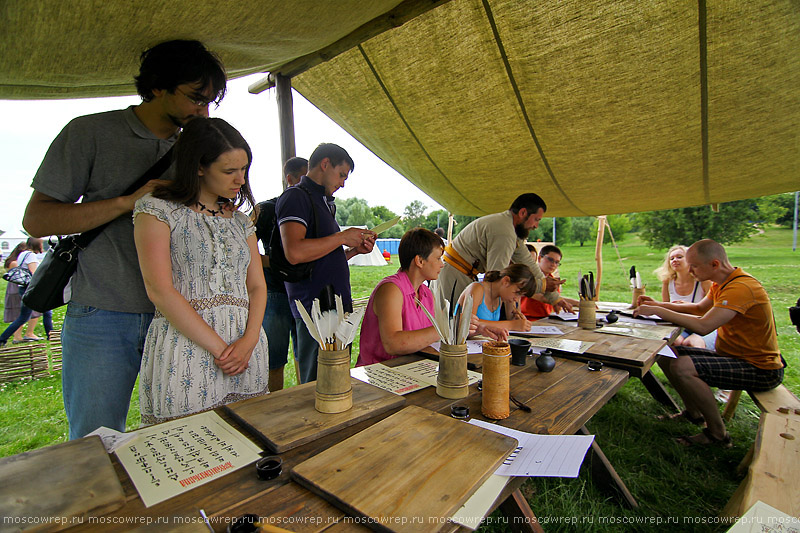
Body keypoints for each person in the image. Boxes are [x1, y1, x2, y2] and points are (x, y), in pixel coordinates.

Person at [22, 40, 227, 439]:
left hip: (181, 317)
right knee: (94, 441)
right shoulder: (91, 132)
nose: (203, 112)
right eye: (195, 99)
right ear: (157, 87)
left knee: (186, 436)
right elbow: (37, 219)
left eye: (210, 102)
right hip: (103, 312)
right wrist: (125, 203)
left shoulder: (198, 148)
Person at [133, 117, 269, 424]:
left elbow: (257, 286)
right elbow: (159, 290)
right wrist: (222, 350)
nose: (241, 180)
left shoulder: (239, 221)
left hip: (245, 342)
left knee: (248, 435)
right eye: (229, 171)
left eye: (244, 169)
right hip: (189, 343)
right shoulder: (157, 210)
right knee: (190, 440)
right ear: (198, 167)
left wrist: (248, 342)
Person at [634, 239, 784, 447]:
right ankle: (693, 413)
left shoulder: (740, 287)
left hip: (761, 368)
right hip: (736, 357)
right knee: (667, 354)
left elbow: (704, 326)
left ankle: (717, 434)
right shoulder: (723, 283)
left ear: (714, 264)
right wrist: (658, 304)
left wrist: (659, 311)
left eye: (694, 266)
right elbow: (699, 308)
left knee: (682, 366)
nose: (691, 270)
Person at [276, 143, 376, 383]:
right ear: (325, 164)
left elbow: (321, 257)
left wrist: (351, 252)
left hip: (335, 307)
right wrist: (342, 237)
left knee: (336, 380)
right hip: (316, 312)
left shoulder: (321, 201)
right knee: (317, 384)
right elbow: (295, 252)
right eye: (341, 174)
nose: (342, 183)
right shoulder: (295, 197)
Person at [357, 228, 506, 366]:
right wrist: (450, 325)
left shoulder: (426, 294)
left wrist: (475, 328)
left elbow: (433, 336)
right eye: (438, 258)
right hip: (380, 373)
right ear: (420, 261)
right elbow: (393, 344)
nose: (442, 265)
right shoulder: (391, 290)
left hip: (412, 368)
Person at [434, 193, 564, 312]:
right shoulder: (504, 232)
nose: (536, 226)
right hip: (454, 278)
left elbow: (528, 262)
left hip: (460, 275)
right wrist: (541, 286)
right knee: (452, 327)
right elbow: (496, 277)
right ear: (523, 212)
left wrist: (555, 298)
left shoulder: (508, 228)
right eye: (536, 219)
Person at [254, 156, 308, 392]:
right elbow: (241, 252)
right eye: (306, 179)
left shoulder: (315, 208)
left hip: (305, 291)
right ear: (290, 179)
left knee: (304, 355)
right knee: (273, 359)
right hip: (275, 292)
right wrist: (278, 263)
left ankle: (302, 404)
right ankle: (273, 410)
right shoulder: (265, 210)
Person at [652, 245, 714, 349]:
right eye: (671, 258)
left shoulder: (703, 281)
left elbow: (714, 309)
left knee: (692, 343)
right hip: (680, 325)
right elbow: (665, 306)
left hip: (704, 325)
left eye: (679, 257)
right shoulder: (668, 282)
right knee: (673, 342)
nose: (674, 260)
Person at [457, 263, 537, 332]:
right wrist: (511, 325)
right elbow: (467, 324)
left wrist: (516, 321)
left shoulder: (500, 297)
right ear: (506, 281)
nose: (516, 299)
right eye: (517, 293)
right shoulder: (477, 289)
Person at [0, 239, 47, 346]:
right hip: (29, 288)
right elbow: (34, 273)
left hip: (22, 287)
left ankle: (48, 333)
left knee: (36, 313)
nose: (42, 245)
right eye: (41, 243)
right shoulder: (31, 256)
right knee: (24, 316)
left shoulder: (23, 254)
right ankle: (2, 338)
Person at [520, 244, 577, 319]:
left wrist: (579, 303)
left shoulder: (552, 279)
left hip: (546, 318)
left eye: (557, 262)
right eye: (550, 260)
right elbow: (541, 297)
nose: (553, 264)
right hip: (528, 318)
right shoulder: (529, 277)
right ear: (540, 258)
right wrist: (573, 303)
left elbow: (557, 298)